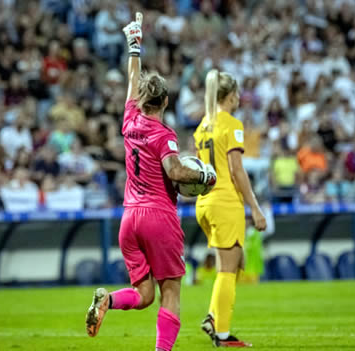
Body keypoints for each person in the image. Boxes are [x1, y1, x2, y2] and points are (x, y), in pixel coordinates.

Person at [85, 14, 216, 351]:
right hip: (159, 216)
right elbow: (174, 171)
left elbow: (132, 79)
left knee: (144, 295)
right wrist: (203, 175)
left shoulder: (129, 121)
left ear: (141, 100)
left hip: (129, 219)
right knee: (170, 293)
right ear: (166, 102)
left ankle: (107, 300)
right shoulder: (163, 134)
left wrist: (134, 47)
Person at [193, 69, 267, 347]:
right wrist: (255, 209)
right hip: (225, 201)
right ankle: (222, 335)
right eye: (236, 94)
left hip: (205, 202)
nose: (239, 98)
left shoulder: (202, 126)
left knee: (233, 266)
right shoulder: (232, 124)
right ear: (229, 96)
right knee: (227, 270)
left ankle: (213, 318)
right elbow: (237, 171)